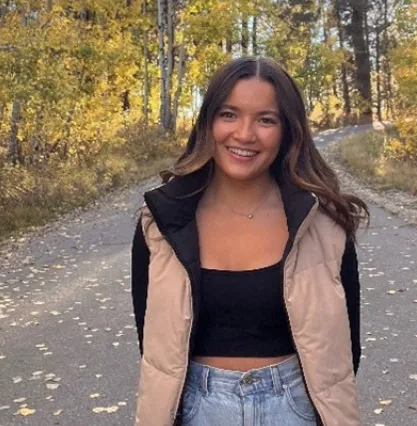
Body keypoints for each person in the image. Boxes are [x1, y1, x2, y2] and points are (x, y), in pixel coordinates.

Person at [131, 56, 369, 426]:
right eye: (229, 114)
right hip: (195, 410)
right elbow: (155, 346)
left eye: (265, 119)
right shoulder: (161, 221)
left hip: (296, 410)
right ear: (208, 121)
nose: (244, 134)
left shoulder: (322, 223)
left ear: (288, 130)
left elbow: (345, 350)